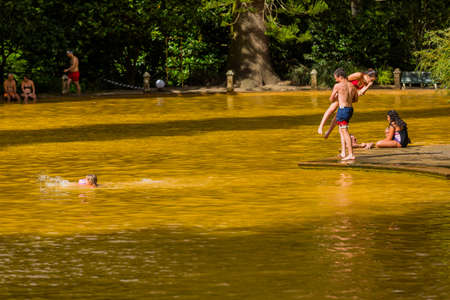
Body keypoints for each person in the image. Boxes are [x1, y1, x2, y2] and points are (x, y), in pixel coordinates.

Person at [318, 69, 377, 138]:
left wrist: (368, 86)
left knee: (338, 115)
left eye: (373, 81)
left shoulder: (366, 84)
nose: (371, 82)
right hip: (342, 90)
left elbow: (360, 93)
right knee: (332, 108)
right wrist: (340, 90)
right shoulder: (359, 75)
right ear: (367, 76)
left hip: (350, 96)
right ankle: (321, 126)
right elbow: (345, 79)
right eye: (371, 80)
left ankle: (328, 131)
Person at [330, 68, 358, 160]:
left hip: (343, 110)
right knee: (342, 130)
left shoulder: (337, 86)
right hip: (350, 109)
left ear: (340, 76)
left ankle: (350, 154)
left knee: (345, 132)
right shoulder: (352, 86)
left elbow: (331, 99)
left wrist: (338, 97)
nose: (335, 79)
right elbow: (356, 100)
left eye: (336, 78)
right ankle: (343, 152)